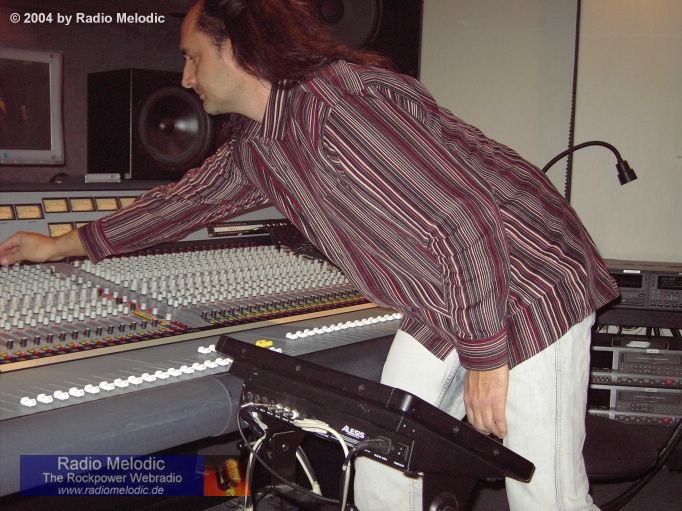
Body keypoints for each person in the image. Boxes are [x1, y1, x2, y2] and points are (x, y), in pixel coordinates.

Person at [0, 1, 618, 509]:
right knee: (382, 472)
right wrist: (58, 244)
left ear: (235, 48)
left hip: (526, 282)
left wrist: (486, 355)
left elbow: (462, 219)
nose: (185, 78)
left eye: (192, 56)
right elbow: (183, 204)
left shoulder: (335, 108)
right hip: (444, 295)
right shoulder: (264, 143)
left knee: (546, 494)